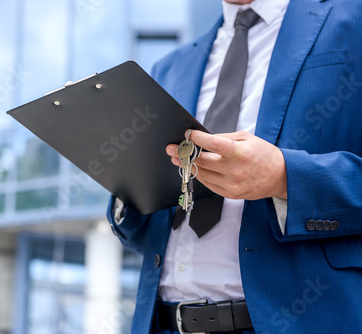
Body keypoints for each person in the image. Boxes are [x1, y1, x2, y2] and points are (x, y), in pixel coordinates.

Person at [106, 0, 362, 333]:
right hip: (163, 322)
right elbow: (148, 235)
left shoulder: (351, 19)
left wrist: (284, 177)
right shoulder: (169, 69)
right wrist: (127, 180)